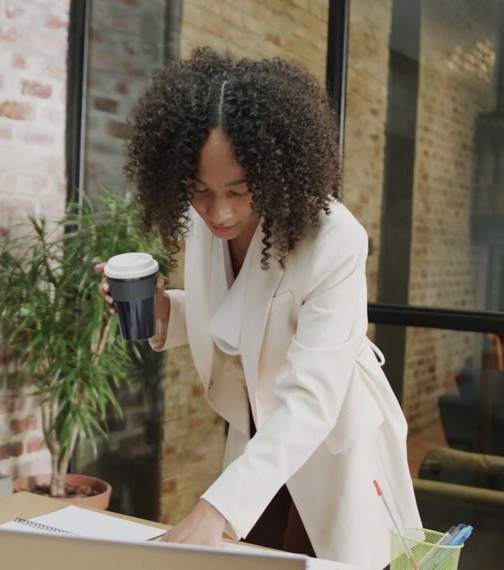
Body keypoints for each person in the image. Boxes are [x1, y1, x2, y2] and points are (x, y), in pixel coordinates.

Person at [95, 48, 419, 570]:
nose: (218, 211)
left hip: (327, 438)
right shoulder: (204, 222)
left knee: (329, 554)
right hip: (258, 431)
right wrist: (161, 313)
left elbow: (311, 398)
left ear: (276, 169)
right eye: (199, 190)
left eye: (239, 192)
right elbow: (235, 315)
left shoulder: (334, 239)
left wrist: (214, 509)